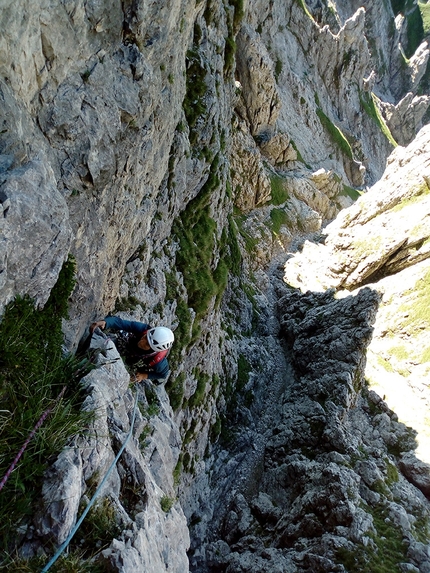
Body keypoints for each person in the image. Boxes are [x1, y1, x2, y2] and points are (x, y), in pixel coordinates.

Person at [90, 316, 174, 384]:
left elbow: (163, 374)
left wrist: (144, 375)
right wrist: (106, 322)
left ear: (153, 349)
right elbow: (121, 323)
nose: (142, 342)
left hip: (135, 361)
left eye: (147, 344)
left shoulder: (158, 362)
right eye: (145, 337)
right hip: (128, 345)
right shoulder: (144, 329)